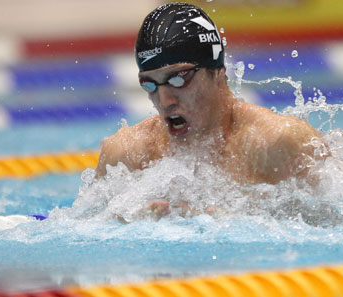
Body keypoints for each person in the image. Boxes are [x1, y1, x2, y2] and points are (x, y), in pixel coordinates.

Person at [95, 2, 328, 218]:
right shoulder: (126, 155)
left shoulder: (277, 143)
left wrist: (237, 223)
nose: (164, 101)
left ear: (217, 73)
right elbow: (92, 232)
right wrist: (132, 223)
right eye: (150, 84)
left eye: (178, 79)